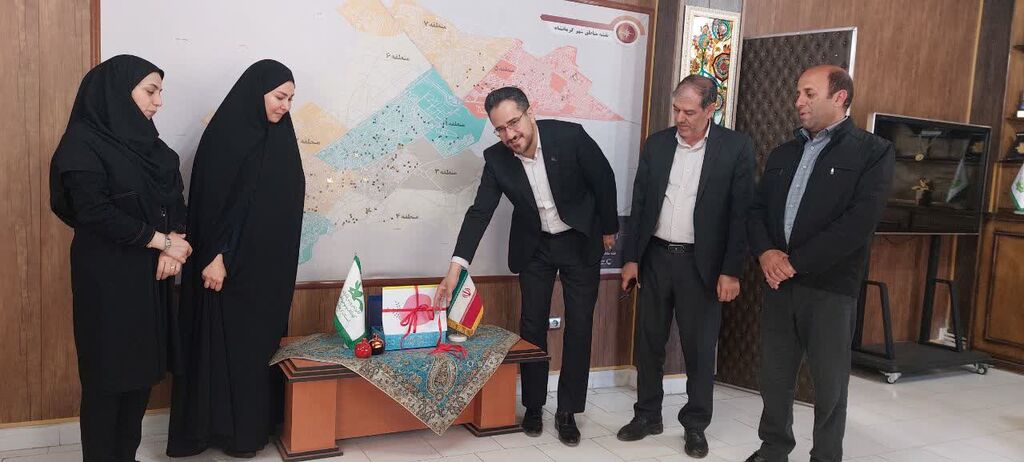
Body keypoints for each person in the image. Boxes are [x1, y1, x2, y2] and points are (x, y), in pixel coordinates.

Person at [434, 86, 618, 446]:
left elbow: (604, 178)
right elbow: (480, 212)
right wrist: (456, 267)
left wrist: (609, 228)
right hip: (535, 246)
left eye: (514, 123)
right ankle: (533, 405)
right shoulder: (497, 159)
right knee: (532, 325)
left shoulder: (570, 137)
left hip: (579, 240)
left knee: (580, 325)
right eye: (500, 129)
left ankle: (568, 411)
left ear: (529, 113)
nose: (509, 135)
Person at [744, 65, 894, 462]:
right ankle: (773, 449)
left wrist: (794, 263)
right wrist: (766, 254)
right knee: (774, 377)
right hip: (778, 284)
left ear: (839, 97)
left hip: (830, 289)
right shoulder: (783, 152)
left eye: (809, 94)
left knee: (829, 385)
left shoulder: (872, 152)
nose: (798, 102)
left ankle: (826, 456)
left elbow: (858, 223)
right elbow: (756, 211)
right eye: (798, 93)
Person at [50, 54, 191, 462]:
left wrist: (175, 245)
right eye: (150, 91)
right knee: (107, 378)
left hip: (152, 276)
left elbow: (175, 203)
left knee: (141, 375)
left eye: (160, 92)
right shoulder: (82, 143)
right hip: (107, 278)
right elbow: (93, 212)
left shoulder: (154, 149)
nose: (159, 101)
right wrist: (162, 242)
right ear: (117, 92)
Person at [167, 60, 305, 459]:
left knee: (256, 352)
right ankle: (216, 432)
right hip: (222, 270)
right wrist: (219, 256)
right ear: (256, 92)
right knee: (223, 349)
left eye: (291, 99)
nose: (285, 106)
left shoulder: (281, 139)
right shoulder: (225, 136)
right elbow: (217, 206)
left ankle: (251, 431)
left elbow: (274, 205)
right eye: (279, 97)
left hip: (266, 273)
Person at [616, 75, 755, 459]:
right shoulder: (658, 144)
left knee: (699, 348)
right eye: (676, 109)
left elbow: (742, 214)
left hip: (702, 264)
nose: (680, 118)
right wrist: (631, 258)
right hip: (656, 258)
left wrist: (731, 271)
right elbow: (639, 204)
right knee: (649, 344)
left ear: (711, 109)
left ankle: (695, 425)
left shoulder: (735, 148)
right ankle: (647, 415)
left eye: (689, 112)